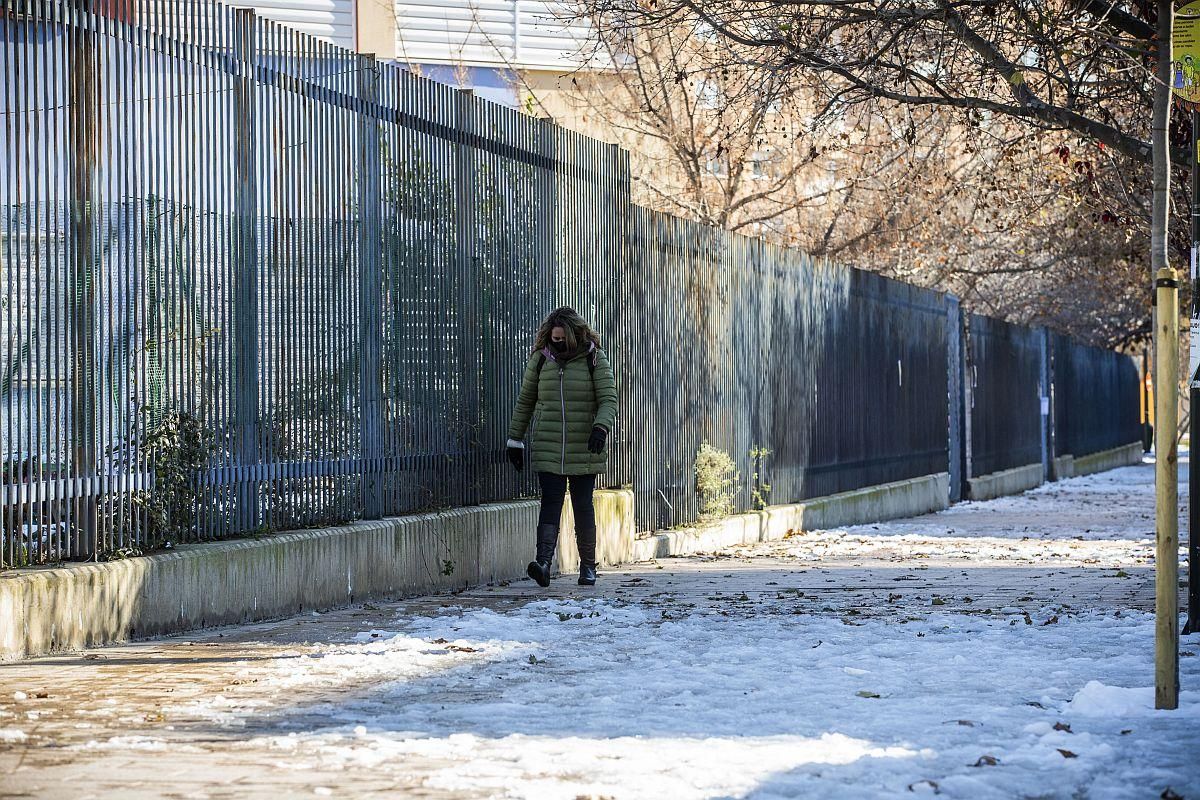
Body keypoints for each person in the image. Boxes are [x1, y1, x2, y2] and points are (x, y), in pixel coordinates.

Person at [505, 307, 618, 587]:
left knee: (582, 505)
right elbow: (526, 400)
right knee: (550, 503)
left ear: (574, 335)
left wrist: (600, 428)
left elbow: (608, 399)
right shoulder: (541, 359)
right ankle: (543, 563)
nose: (557, 344)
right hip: (548, 443)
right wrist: (515, 439)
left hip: (584, 446)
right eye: (553, 339)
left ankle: (588, 567)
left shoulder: (593, 358)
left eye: (561, 339)